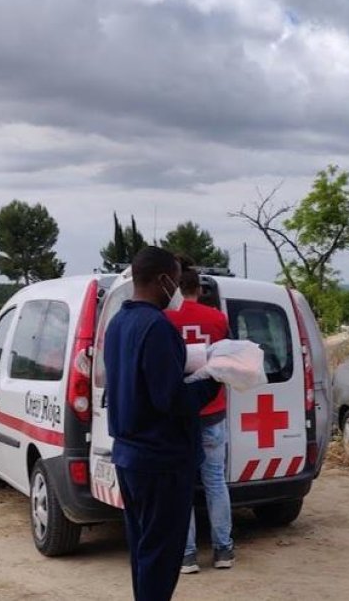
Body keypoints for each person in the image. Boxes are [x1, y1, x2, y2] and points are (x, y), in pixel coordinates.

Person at [104, 246, 220, 601]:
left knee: (144, 549)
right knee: (161, 555)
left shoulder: (118, 323)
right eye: (174, 279)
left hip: (129, 457)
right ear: (161, 280)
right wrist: (213, 377)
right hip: (161, 461)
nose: (177, 289)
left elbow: (140, 382)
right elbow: (169, 399)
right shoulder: (156, 327)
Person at [164, 264, 235, 574]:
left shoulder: (165, 319)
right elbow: (228, 360)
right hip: (213, 411)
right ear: (199, 290)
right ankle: (223, 551)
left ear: (178, 289)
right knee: (215, 481)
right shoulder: (218, 319)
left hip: (178, 413)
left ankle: (187, 555)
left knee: (181, 486)